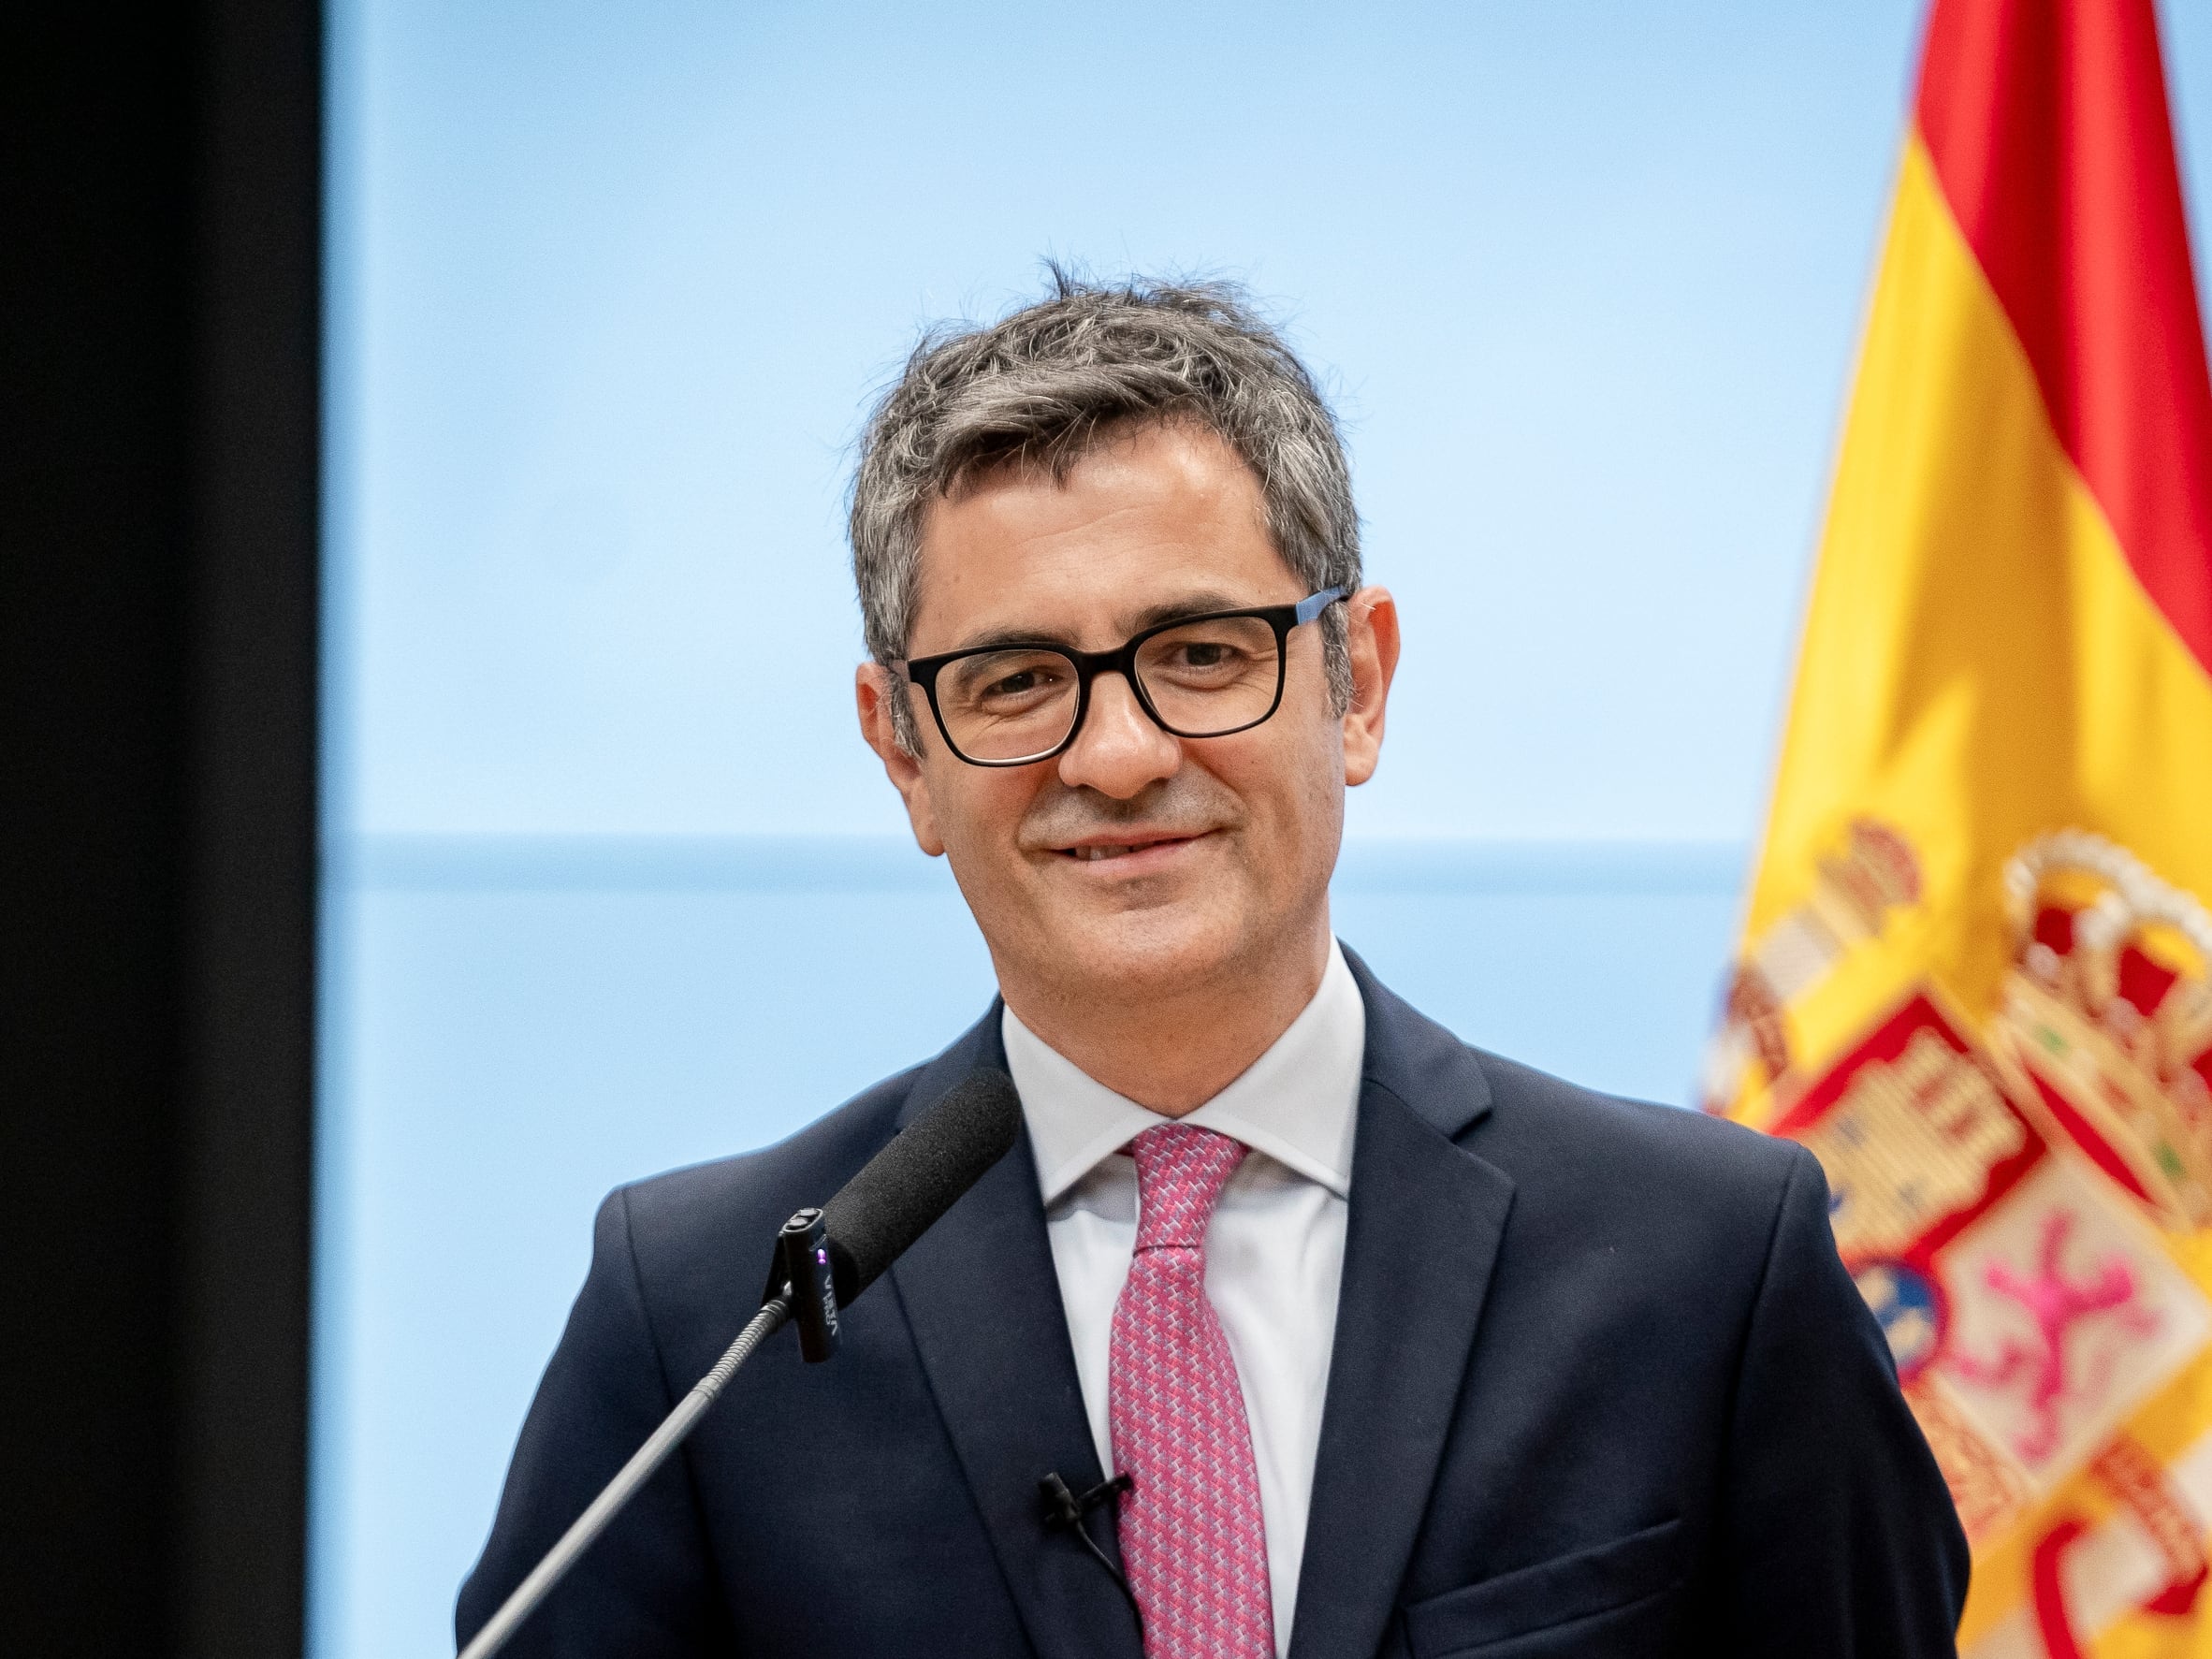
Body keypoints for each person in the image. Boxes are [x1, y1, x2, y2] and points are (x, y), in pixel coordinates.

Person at [458, 275, 1968, 1658]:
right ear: (903, 751)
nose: (1116, 756)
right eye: (1015, 682)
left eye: (1200, 653)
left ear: (1355, 682)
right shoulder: (714, 1313)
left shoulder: (1704, 1264)